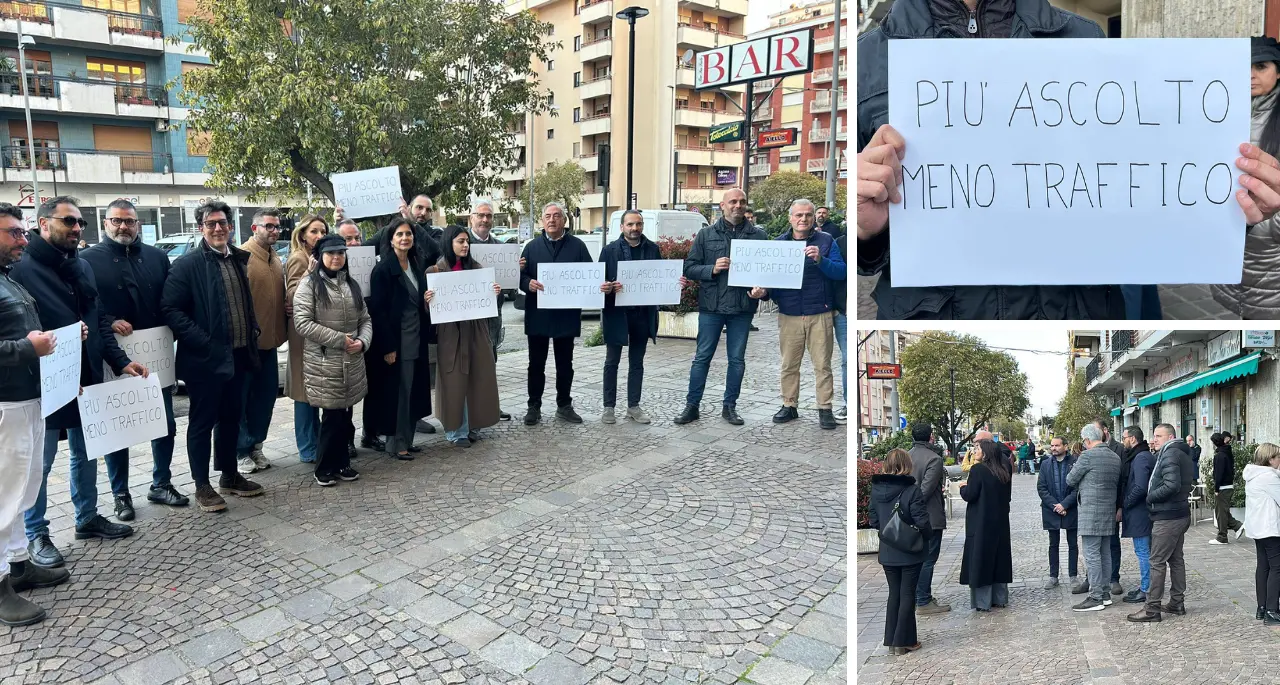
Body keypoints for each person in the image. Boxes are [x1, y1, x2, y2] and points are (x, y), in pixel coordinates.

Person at [858, 2, 1280, 319]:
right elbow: (865, 244)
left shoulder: (1083, 37)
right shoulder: (867, 58)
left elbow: (1130, 183)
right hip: (931, 311)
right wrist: (866, 230)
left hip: (1075, 307)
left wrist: (1219, 212)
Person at [12, 196, 139, 567]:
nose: (77, 228)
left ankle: (87, 517)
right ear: (43, 223)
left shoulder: (80, 264)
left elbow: (98, 319)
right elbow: (20, 332)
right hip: (43, 383)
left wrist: (121, 362)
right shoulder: (22, 269)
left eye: (80, 222)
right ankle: (36, 534)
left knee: (86, 452)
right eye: (68, 221)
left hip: (86, 374)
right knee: (40, 463)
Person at [81, 199, 189, 515]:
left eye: (129, 221)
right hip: (112, 355)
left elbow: (170, 300)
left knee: (165, 423)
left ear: (137, 224)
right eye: (116, 221)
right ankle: (121, 494)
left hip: (155, 355)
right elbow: (86, 305)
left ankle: (161, 483)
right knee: (118, 429)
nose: (123, 226)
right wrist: (109, 320)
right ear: (105, 223)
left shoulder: (157, 257)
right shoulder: (87, 260)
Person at [162, 200, 266, 513]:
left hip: (239, 356)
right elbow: (170, 309)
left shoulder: (237, 259)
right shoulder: (187, 264)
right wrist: (203, 341)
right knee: (201, 423)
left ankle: (229, 476)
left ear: (230, 226)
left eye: (222, 223)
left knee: (231, 419)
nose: (218, 228)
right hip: (204, 361)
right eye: (211, 224)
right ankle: (201, 485)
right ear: (201, 228)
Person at [0, 203, 70, 626]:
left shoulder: (8, 279)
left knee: (23, 491)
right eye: (13, 232)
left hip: (28, 399)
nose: (22, 240)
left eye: (23, 232)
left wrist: (59, 342)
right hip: (5, 405)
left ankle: (19, 565)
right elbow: (21, 344)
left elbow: (26, 337)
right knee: (3, 497)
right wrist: (30, 347)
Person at [674, 188, 769, 426]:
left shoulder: (758, 236)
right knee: (702, 358)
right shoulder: (706, 234)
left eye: (742, 201)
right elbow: (689, 268)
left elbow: (766, 272)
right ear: (722, 205)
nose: (738, 205)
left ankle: (730, 407)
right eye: (733, 201)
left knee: (737, 360)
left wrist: (762, 291)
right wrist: (712, 269)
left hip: (742, 307)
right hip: (712, 307)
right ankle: (692, 406)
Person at [292, 235, 371, 485]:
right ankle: (324, 468)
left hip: (352, 360)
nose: (336, 257)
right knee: (331, 417)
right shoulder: (309, 285)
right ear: (320, 256)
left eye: (340, 253)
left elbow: (365, 319)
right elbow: (302, 323)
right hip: (325, 362)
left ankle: (342, 464)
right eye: (331, 253)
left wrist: (363, 342)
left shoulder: (351, 284)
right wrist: (340, 339)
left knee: (345, 416)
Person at [598, 210, 688, 425]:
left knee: (637, 363)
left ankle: (633, 406)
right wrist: (608, 287)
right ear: (622, 227)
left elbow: (659, 279)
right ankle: (609, 407)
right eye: (630, 224)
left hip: (642, 314)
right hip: (617, 314)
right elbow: (599, 283)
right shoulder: (609, 250)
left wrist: (676, 284)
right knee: (612, 362)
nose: (634, 228)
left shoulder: (652, 249)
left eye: (638, 224)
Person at [1213, 36, 1280, 319]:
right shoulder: (1218, 110)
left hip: (1269, 253)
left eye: (1261, 66)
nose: (1251, 75)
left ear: (1278, 71)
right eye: (1245, 67)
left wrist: (1268, 225)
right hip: (1231, 245)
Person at [765, 199, 845, 431]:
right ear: (790, 218)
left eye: (808, 215)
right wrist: (763, 293)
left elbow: (841, 272)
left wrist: (821, 260)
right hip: (789, 313)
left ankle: (825, 408)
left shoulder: (826, 241)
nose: (804, 219)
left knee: (823, 365)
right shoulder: (779, 244)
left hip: (820, 312)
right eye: (799, 215)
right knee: (789, 364)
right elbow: (771, 278)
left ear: (814, 218)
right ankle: (789, 405)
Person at [425, 226, 503, 448]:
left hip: (476, 332)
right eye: (460, 241)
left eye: (467, 241)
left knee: (478, 377)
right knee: (454, 381)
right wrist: (427, 300)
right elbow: (430, 311)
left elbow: (490, 305)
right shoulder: (436, 271)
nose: (465, 245)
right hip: (451, 335)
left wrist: (495, 293)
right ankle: (456, 430)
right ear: (449, 243)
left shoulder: (477, 268)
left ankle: (473, 425)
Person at [519, 202, 594, 426]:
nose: (552, 220)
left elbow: (590, 275)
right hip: (538, 314)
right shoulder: (531, 247)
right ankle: (534, 406)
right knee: (536, 364)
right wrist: (527, 283)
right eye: (548, 216)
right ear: (542, 221)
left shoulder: (578, 246)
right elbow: (519, 276)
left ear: (564, 220)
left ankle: (564, 405)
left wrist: (598, 286)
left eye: (557, 216)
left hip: (566, 315)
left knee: (565, 364)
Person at [366, 218, 434, 459]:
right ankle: (396, 444)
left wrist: (427, 300)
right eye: (400, 235)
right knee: (399, 394)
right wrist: (388, 346)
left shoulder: (416, 264)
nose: (405, 238)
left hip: (417, 338)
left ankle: (409, 439)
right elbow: (378, 312)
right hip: (398, 342)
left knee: (413, 391)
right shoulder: (383, 270)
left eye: (408, 234)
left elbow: (417, 301)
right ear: (391, 240)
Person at [234, 209, 286, 475]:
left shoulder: (275, 257)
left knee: (265, 399)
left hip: (271, 342)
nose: (274, 230)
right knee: (242, 400)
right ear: (254, 228)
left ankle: (255, 445)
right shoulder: (242, 256)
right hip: (247, 344)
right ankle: (241, 451)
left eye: (277, 226)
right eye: (269, 226)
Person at [1128, 424, 1195, 622]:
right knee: (1176, 559)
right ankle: (1176, 603)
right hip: (1178, 513)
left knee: (1157, 561)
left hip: (1168, 516)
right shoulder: (1180, 452)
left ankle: (1152, 609)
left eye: (1159, 436)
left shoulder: (1170, 453)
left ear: (1170, 437)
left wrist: (1150, 497)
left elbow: (1172, 485)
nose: (1154, 439)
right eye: (1154, 435)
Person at [867, 448, 931, 656]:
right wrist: (924, 536)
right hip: (910, 550)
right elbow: (922, 521)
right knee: (907, 594)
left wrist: (889, 532)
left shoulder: (876, 489)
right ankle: (905, 641)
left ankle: (892, 641)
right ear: (907, 465)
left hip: (888, 549)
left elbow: (873, 520)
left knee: (894, 593)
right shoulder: (911, 490)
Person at [285, 215, 328, 464]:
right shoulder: (299, 258)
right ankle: (307, 447)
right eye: (314, 231)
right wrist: (309, 274)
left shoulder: (320, 257)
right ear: (302, 234)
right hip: (302, 334)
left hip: (318, 331)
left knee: (315, 391)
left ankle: (316, 442)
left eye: (323, 231)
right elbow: (292, 295)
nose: (319, 236)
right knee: (303, 392)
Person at [466, 200, 515, 422]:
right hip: (467, 318)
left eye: (488, 216)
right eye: (480, 215)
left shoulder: (501, 248)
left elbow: (508, 282)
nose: (485, 220)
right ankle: (470, 409)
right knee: (467, 364)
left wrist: (515, 269)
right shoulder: (461, 243)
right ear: (471, 218)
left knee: (490, 362)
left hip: (492, 317)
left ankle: (490, 406)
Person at [1067, 424, 1122, 612]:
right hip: (1108, 510)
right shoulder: (1114, 457)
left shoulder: (1087, 456)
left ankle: (1096, 596)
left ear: (1087, 440)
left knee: (1091, 555)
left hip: (1091, 512)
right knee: (1105, 553)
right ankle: (1105, 593)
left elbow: (1070, 480)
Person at [959, 440, 1013, 611]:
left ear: (986, 452)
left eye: (978, 448)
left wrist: (963, 487)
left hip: (981, 522)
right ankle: (999, 598)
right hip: (1000, 522)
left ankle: (983, 602)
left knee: (981, 558)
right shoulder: (1003, 471)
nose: (975, 451)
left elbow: (970, 494)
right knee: (999, 559)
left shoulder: (978, 470)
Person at [907, 422, 949, 615]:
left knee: (916, 559)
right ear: (931, 436)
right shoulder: (934, 459)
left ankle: (920, 597)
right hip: (929, 516)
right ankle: (923, 601)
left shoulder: (906, 456)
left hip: (908, 516)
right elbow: (925, 490)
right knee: (928, 559)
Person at [1119, 426, 1156, 605]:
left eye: (1124, 437)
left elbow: (1140, 487)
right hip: (1143, 512)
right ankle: (1147, 587)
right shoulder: (1142, 455)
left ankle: (1146, 589)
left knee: (1143, 552)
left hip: (1140, 513)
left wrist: (1126, 503)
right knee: (1145, 551)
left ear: (1132, 439)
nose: (1123, 441)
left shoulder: (1141, 457)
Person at [1244, 443, 1280, 624]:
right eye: (1278, 457)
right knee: (1277, 568)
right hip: (1270, 528)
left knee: (1263, 566)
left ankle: (1262, 607)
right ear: (1270, 459)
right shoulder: (1269, 477)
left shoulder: (1254, 474)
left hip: (1258, 527)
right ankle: (1272, 610)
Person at [1038, 437, 1079, 590]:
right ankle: (1053, 576)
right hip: (1051, 509)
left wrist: (1065, 504)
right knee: (1053, 544)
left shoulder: (1075, 462)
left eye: (1057, 445)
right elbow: (1042, 488)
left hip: (1070, 509)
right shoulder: (1045, 464)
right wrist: (1056, 506)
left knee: (1073, 544)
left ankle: (1073, 576)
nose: (1054, 448)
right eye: (1052, 445)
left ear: (1065, 446)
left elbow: (1078, 488)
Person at [1095, 419, 1126, 597]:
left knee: (1113, 543)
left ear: (1105, 430)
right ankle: (1093, 579)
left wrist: (1120, 506)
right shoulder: (1089, 447)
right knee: (1094, 545)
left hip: (1113, 505)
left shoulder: (1119, 449)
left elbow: (1123, 480)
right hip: (1095, 506)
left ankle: (1114, 578)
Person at [1211, 432, 1244, 544]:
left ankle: (1222, 537)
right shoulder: (1227, 452)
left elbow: (1219, 474)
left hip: (1223, 487)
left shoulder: (1220, 455)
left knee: (1221, 513)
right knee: (1222, 511)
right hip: (1228, 485)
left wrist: (1216, 488)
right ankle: (1237, 526)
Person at [832, 233, 847, 424]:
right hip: (843, 311)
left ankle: (849, 403)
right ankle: (848, 403)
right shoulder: (840, 242)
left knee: (848, 360)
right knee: (847, 360)